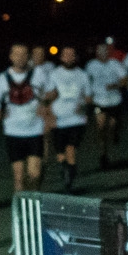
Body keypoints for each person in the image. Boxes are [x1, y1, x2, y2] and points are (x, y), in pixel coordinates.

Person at [0, 43, 48, 192]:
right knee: (18, 178)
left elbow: (52, 92)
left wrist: (44, 104)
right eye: (17, 54)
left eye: (24, 54)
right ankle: (22, 206)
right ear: (11, 57)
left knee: (35, 175)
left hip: (35, 130)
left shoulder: (39, 74)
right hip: (13, 132)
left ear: (28, 57)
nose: (20, 58)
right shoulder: (2, 79)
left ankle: (33, 201)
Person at [47, 45, 91, 190]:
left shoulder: (82, 75)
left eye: (71, 55)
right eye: (66, 55)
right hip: (59, 119)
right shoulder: (54, 74)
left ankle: (69, 180)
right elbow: (48, 97)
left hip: (76, 120)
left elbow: (88, 97)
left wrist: (83, 105)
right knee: (60, 154)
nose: (68, 57)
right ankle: (65, 168)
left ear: (76, 57)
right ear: (61, 57)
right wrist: (49, 116)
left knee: (71, 149)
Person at [87, 42, 128, 167]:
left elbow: (124, 80)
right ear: (96, 53)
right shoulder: (91, 65)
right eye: (100, 51)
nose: (103, 53)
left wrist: (115, 85)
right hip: (99, 101)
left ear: (109, 52)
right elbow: (86, 81)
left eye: (105, 51)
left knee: (112, 126)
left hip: (114, 101)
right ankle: (103, 154)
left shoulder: (115, 64)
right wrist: (87, 95)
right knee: (100, 128)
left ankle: (114, 134)